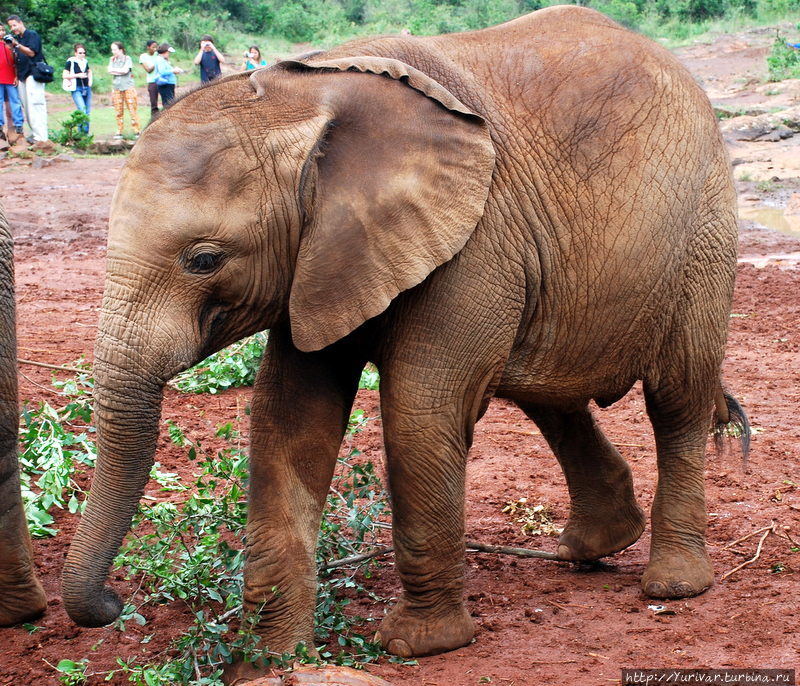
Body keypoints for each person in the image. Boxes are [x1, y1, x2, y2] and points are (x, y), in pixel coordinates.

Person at [6, 14, 47, 143]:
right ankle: (35, 135)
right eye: (10, 26)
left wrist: (16, 45)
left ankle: (42, 137)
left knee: (36, 105)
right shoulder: (18, 39)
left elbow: (31, 52)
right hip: (22, 76)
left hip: (33, 74)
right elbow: (17, 59)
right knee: (27, 107)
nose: (13, 28)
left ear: (20, 23)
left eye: (14, 25)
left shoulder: (31, 35)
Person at [107, 41, 139, 139]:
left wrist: (115, 71)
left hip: (128, 86)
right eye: (112, 49)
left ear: (120, 49)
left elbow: (126, 70)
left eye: (115, 49)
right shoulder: (112, 59)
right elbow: (109, 70)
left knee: (132, 109)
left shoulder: (127, 58)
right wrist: (119, 71)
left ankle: (136, 130)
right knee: (118, 110)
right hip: (116, 87)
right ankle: (119, 130)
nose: (113, 51)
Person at [0, 30, 24, 143]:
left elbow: (16, 61)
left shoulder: (10, 44)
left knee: (15, 101)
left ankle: (18, 124)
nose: (1, 32)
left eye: (3, 30)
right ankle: (0, 126)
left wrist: (16, 76)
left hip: (10, 78)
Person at [62, 43, 91, 134]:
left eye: (83, 53)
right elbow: (65, 75)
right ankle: (80, 133)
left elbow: (89, 71)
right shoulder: (71, 61)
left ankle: (85, 134)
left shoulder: (85, 62)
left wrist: (90, 81)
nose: (82, 55)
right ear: (75, 53)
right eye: (80, 53)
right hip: (76, 88)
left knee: (87, 111)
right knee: (82, 109)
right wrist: (77, 75)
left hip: (86, 87)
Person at [153, 43, 183, 107]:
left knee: (170, 103)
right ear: (165, 52)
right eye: (168, 52)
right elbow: (162, 71)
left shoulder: (163, 60)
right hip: (166, 84)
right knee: (168, 104)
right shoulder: (160, 60)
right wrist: (173, 70)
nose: (169, 54)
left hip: (168, 84)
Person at [138, 39, 160, 116]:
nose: (155, 49)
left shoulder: (158, 54)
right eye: (153, 47)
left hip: (162, 80)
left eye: (156, 47)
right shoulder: (143, 56)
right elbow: (148, 70)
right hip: (152, 81)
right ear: (148, 47)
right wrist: (157, 62)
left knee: (167, 102)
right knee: (154, 104)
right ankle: (154, 121)